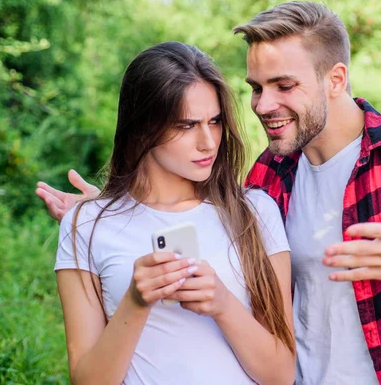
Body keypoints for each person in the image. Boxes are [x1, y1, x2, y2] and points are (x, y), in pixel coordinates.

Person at [37, 2, 381, 384]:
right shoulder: (269, 177)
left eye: (283, 85)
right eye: (256, 87)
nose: (263, 104)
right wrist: (106, 212)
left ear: (335, 79)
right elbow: (185, 203)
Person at [48, 41, 295, 384]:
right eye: (186, 125)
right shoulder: (86, 225)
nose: (208, 142)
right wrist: (135, 301)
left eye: (215, 121)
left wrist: (222, 303)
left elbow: (281, 374)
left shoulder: (254, 212)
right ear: (143, 127)